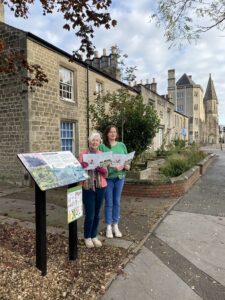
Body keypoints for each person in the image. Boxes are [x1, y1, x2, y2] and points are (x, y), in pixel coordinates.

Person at [99, 125, 130, 238]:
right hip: (107, 179)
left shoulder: (122, 145)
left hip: (120, 178)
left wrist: (124, 167)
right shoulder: (102, 147)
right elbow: (99, 165)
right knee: (108, 202)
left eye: (115, 132)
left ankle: (115, 225)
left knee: (117, 201)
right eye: (111, 132)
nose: (113, 134)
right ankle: (108, 226)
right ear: (107, 134)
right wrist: (110, 168)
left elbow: (128, 163)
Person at [79, 131, 108, 248]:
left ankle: (94, 235)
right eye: (93, 140)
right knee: (90, 214)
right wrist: (83, 166)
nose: (95, 142)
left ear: (99, 142)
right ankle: (87, 237)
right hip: (87, 187)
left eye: (97, 140)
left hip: (101, 186)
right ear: (89, 141)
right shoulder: (83, 154)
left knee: (97, 214)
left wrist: (98, 167)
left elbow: (106, 173)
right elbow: (79, 170)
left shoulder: (102, 154)